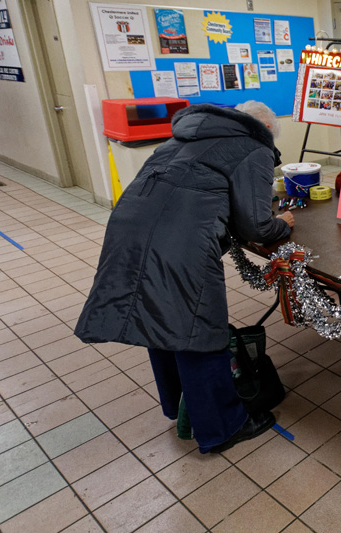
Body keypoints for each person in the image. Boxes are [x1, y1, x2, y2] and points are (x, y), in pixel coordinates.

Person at [74, 101, 293, 454]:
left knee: (161, 321)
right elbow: (255, 223)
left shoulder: (180, 137)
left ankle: (180, 403)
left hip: (128, 231)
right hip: (180, 244)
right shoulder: (254, 146)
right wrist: (283, 223)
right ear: (266, 130)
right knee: (198, 332)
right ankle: (223, 427)